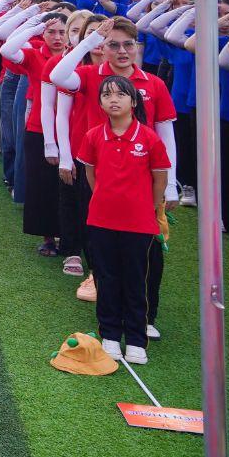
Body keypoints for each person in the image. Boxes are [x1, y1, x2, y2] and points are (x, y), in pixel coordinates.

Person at [77, 74, 168, 365]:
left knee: (135, 280)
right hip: (101, 220)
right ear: (100, 102)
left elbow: (160, 181)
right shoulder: (93, 136)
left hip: (139, 224)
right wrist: (105, 200)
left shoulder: (149, 138)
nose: (113, 100)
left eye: (120, 95)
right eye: (106, 95)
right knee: (106, 277)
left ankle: (137, 339)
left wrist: (149, 209)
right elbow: (91, 175)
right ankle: (111, 335)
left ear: (133, 101)